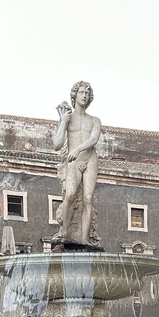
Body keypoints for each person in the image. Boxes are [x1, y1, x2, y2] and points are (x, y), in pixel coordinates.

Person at [53, 81, 102, 246]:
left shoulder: (95, 120)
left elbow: (94, 139)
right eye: (81, 92)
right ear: (74, 95)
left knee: (88, 198)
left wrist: (78, 149)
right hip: (73, 162)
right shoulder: (68, 118)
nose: (84, 96)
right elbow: (57, 144)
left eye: (87, 93)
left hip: (89, 159)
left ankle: (84, 238)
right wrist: (62, 121)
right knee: (70, 195)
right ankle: (65, 232)